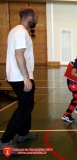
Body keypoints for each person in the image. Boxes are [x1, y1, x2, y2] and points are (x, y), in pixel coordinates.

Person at [0, 6, 38, 154]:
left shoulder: (14, 30)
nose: (37, 20)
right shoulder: (21, 33)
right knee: (24, 109)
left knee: (27, 105)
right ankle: (5, 141)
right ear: (29, 18)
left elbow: (12, 54)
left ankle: (23, 133)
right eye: (36, 17)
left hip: (15, 75)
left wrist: (11, 74)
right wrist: (26, 77)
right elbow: (19, 55)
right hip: (21, 77)